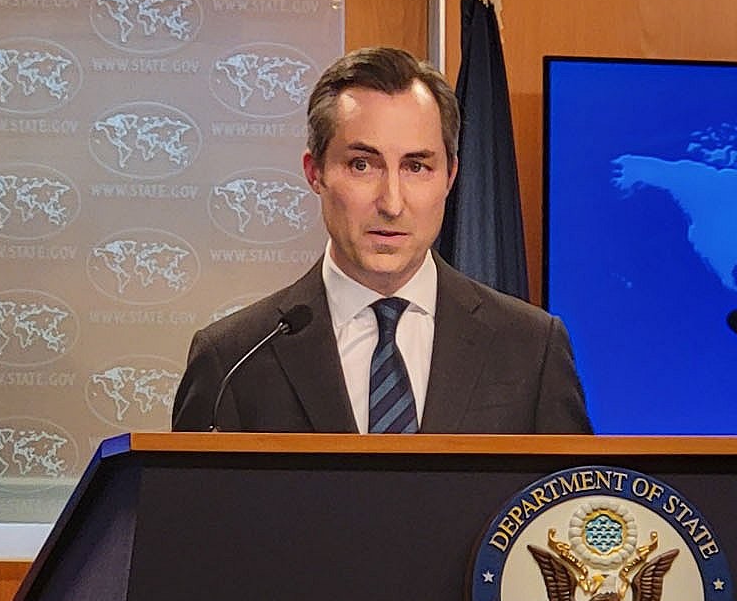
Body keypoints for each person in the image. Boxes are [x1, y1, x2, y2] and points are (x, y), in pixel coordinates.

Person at [171, 46, 591, 434]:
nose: (391, 202)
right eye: (361, 165)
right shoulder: (233, 361)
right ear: (314, 172)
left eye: (416, 167)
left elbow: (568, 509)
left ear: (450, 176)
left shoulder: (531, 348)